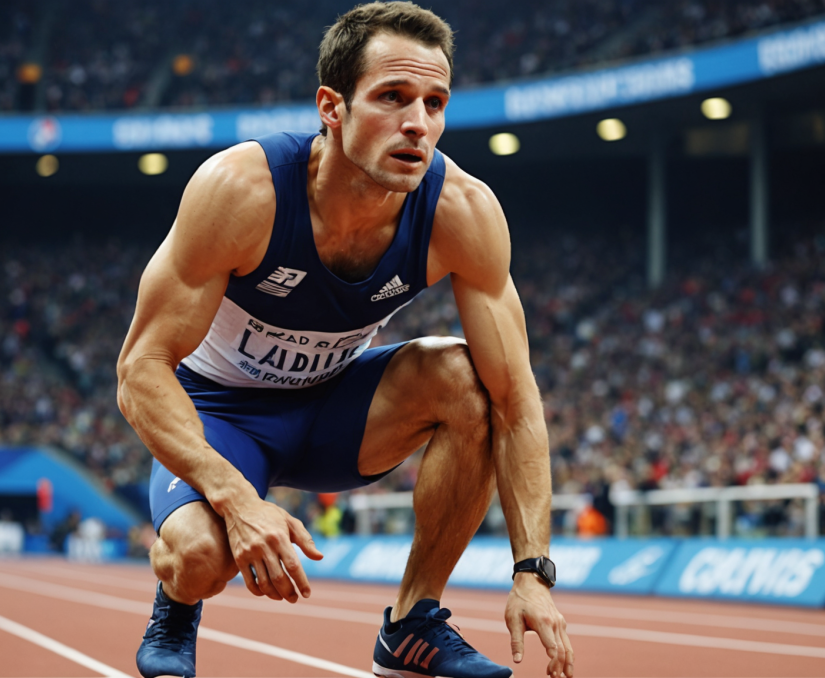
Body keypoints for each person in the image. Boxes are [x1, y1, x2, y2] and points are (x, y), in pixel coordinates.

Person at [116, 4, 572, 678]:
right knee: (202, 557)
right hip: (222, 412)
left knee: (466, 377)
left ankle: (412, 624)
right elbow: (141, 369)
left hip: (334, 411)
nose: (418, 123)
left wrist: (532, 571)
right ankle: (177, 605)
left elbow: (516, 400)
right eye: (392, 97)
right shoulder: (242, 191)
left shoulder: (462, 211)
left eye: (435, 103)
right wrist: (238, 501)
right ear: (332, 107)